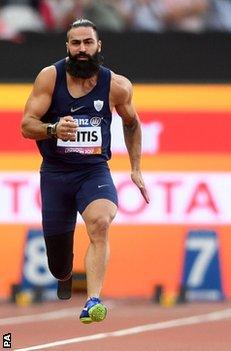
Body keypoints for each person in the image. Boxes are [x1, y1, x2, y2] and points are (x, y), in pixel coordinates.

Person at [20, 18, 149, 324]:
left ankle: (93, 301)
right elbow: (26, 125)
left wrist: (136, 168)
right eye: (75, 43)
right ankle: (65, 275)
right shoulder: (50, 78)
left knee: (101, 222)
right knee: (59, 265)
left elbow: (132, 122)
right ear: (67, 47)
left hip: (93, 171)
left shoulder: (116, 85)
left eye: (87, 43)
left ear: (98, 46)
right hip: (55, 174)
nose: (81, 49)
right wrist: (53, 128)